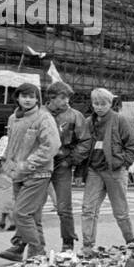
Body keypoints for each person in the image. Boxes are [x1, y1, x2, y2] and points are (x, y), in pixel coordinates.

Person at [0, 83, 60, 261]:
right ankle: (30, 255)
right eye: (24, 96)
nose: (27, 99)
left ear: (37, 99)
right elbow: (10, 144)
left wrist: (28, 164)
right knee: (33, 217)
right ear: (17, 98)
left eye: (32, 96)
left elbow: (52, 146)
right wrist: (6, 164)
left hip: (38, 173)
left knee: (21, 213)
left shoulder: (43, 118)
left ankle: (37, 250)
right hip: (17, 173)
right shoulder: (12, 118)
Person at [80, 87, 134, 252]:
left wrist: (123, 163)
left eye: (102, 104)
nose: (98, 107)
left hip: (115, 170)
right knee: (88, 208)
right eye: (95, 103)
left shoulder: (121, 120)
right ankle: (87, 245)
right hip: (94, 169)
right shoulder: (88, 122)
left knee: (120, 210)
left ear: (110, 103)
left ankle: (131, 241)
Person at [44, 81, 92, 252]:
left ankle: (68, 242)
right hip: (39, 164)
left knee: (64, 207)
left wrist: (71, 160)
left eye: (68, 98)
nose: (67, 101)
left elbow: (85, 141)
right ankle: (30, 244)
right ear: (52, 97)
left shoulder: (75, 116)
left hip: (62, 164)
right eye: (63, 98)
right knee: (30, 206)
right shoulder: (39, 114)